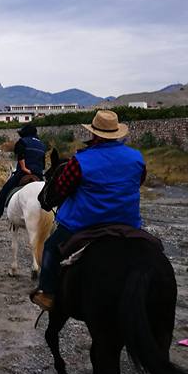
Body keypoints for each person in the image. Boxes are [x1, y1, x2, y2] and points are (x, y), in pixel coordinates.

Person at [29, 110, 146, 311]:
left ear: (94, 134)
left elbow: (61, 189)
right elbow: (139, 181)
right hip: (127, 223)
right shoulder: (136, 157)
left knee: (50, 247)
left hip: (84, 223)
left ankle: (47, 293)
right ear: (116, 133)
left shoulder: (81, 161)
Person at [0, 123, 46, 219]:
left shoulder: (22, 142)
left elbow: (21, 156)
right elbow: (43, 164)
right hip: (38, 174)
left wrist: (24, 169)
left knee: (5, 189)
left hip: (24, 172)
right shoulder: (42, 145)